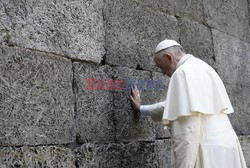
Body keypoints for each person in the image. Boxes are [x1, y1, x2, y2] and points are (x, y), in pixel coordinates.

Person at [129, 39, 247, 168]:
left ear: (169, 58)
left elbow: (187, 130)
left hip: (206, 150)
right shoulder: (204, 67)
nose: (162, 72)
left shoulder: (181, 73)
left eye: (161, 66)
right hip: (228, 146)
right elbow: (180, 105)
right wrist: (141, 108)